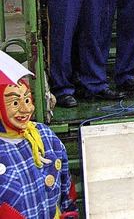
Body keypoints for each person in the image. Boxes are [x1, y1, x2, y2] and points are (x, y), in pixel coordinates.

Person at [0, 79, 78, 217]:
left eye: (28, 100)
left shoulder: (45, 136)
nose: (26, 109)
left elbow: (67, 193)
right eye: (15, 103)